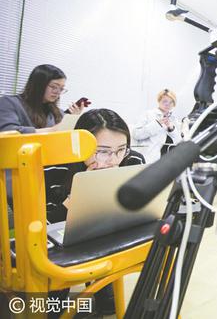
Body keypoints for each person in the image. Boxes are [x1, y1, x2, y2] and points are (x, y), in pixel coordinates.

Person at [43, 108, 145, 317]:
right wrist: (78, 195)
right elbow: (47, 225)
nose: (113, 160)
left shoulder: (132, 161)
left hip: (110, 239)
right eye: (102, 151)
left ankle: (102, 287)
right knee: (54, 310)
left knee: (109, 307)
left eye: (121, 149)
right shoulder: (55, 169)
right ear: (81, 147)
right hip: (61, 245)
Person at [0, 64, 84, 133]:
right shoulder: (9, 103)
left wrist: (72, 119)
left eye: (61, 88)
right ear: (38, 85)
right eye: (54, 87)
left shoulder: (57, 112)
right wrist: (52, 130)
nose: (58, 92)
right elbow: (8, 131)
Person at [132, 89, 181, 163]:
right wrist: (157, 124)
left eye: (171, 102)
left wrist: (171, 129)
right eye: (165, 101)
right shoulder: (148, 114)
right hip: (148, 157)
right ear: (159, 101)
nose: (168, 104)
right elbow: (136, 134)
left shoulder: (174, 119)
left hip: (166, 160)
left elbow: (179, 142)